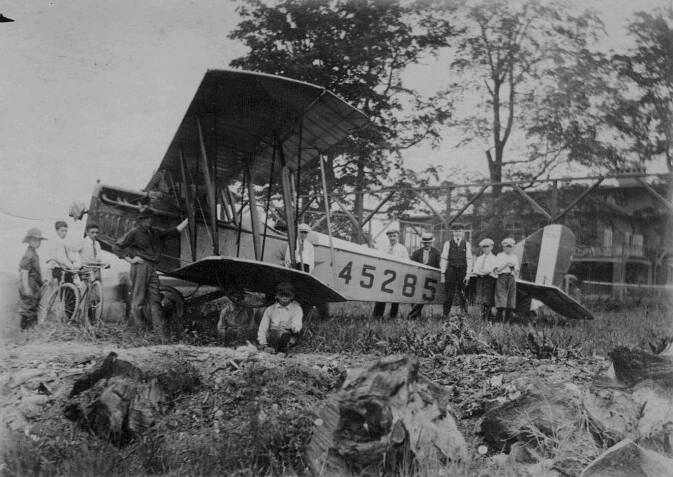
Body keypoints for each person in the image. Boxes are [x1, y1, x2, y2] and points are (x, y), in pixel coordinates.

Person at [115, 208, 188, 339]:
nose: (149, 221)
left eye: (150, 218)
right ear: (141, 220)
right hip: (140, 267)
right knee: (138, 300)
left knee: (155, 300)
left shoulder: (154, 232)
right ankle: (139, 332)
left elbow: (174, 231)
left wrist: (189, 220)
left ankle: (160, 335)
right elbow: (117, 247)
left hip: (152, 268)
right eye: (146, 219)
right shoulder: (134, 233)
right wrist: (130, 259)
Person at [372, 228, 409, 319]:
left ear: (398, 236)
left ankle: (393, 315)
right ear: (388, 236)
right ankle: (377, 315)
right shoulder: (383, 247)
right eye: (390, 236)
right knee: (381, 295)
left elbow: (407, 262)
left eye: (394, 236)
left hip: (397, 274)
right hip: (385, 274)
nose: (392, 238)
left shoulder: (402, 248)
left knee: (395, 296)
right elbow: (379, 258)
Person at [257, 282, 303, 353]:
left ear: (292, 296)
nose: (284, 298)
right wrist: (263, 343)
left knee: (286, 335)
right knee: (274, 332)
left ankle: (284, 350)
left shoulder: (297, 309)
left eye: (287, 295)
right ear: (277, 296)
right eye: (281, 295)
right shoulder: (270, 309)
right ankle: (271, 349)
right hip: (273, 336)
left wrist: (290, 327)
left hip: (289, 335)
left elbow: (297, 324)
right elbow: (263, 327)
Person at [17, 228, 47, 329]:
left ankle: (31, 332)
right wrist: (26, 288)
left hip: (33, 285)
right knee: (27, 309)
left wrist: (41, 282)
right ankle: (24, 332)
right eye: (34, 240)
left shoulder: (33, 253)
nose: (37, 242)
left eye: (39, 240)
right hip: (29, 284)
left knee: (33, 307)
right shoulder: (29, 254)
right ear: (29, 241)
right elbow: (24, 272)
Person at [440, 230, 473, 317]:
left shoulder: (467, 244)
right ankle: (445, 314)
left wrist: (468, 274)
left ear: (462, 232)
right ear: (453, 232)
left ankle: (464, 313)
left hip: (462, 270)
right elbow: (444, 258)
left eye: (459, 231)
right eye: (456, 231)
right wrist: (443, 273)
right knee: (449, 293)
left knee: (463, 293)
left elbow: (469, 259)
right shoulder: (448, 243)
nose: (458, 233)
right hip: (451, 270)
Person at [408, 232, 441, 320]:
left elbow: (439, 266)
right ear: (422, 243)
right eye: (425, 243)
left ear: (432, 243)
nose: (427, 244)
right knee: (416, 297)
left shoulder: (437, 253)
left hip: (430, 279)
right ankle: (415, 316)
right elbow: (411, 265)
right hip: (418, 278)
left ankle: (414, 316)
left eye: (429, 243)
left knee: (425, 298)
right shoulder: (416, 253)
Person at [470, 238, 498, 320]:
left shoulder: (494, 259)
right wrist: (483, 272)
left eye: (487, 246)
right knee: (480, 299)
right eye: (484, 247)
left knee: (488, 300)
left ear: (491, 247)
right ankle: (483, 317)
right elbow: (475, 269)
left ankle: (488, 318)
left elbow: (491, 270)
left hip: (489, 281)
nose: (485, 248)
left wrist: (484, 272)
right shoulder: (479, 259)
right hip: (480, 280)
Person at [494, 237, 519, 322]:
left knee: (511, 300)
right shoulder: (499, 256)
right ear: (503, 247)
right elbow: (496, 271)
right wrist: (506, 264)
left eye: (510, 246)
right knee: (501, 299)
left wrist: (513, 268)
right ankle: (498, 320)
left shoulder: (515, 257)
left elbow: (516, 272)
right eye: (506, 246)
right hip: (502, 277)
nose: (508, 248)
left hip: (511, 278)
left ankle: (507, 321)